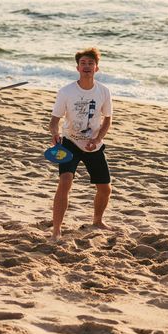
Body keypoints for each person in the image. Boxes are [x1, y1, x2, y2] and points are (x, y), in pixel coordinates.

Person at [49, 48, 113, 240]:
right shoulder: (66, 92)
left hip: (93, 145)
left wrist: (98, 138)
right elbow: (54, 121)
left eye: (90, 63)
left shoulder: (103, 91)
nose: (87, 66)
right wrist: (55, 134)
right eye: (83, 63)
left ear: (97, 68)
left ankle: (97, 220)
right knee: (65, 182)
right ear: (77, 67)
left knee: (105, 188)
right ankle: (56, 230)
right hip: (70, 142)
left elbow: (107, 120)